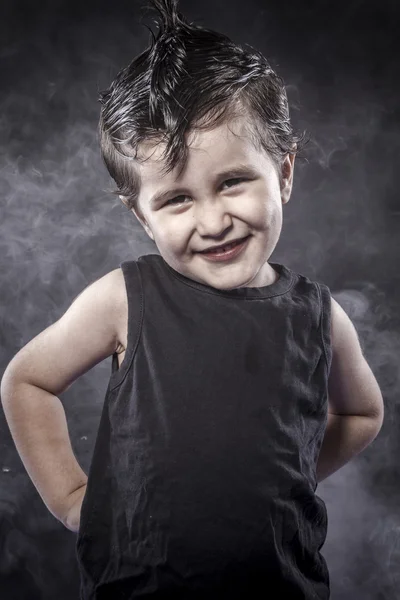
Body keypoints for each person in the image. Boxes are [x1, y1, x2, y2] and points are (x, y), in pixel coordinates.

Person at [0, 0, 384, 598]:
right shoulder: (125, 299)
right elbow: (27, 380)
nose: (213, 221)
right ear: (141, 215)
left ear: (283, 172)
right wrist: (74, 498)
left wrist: (290, 476)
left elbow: (362, 414)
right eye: (177, 199)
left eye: (232, 182)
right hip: (138, 585)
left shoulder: (319, 316)